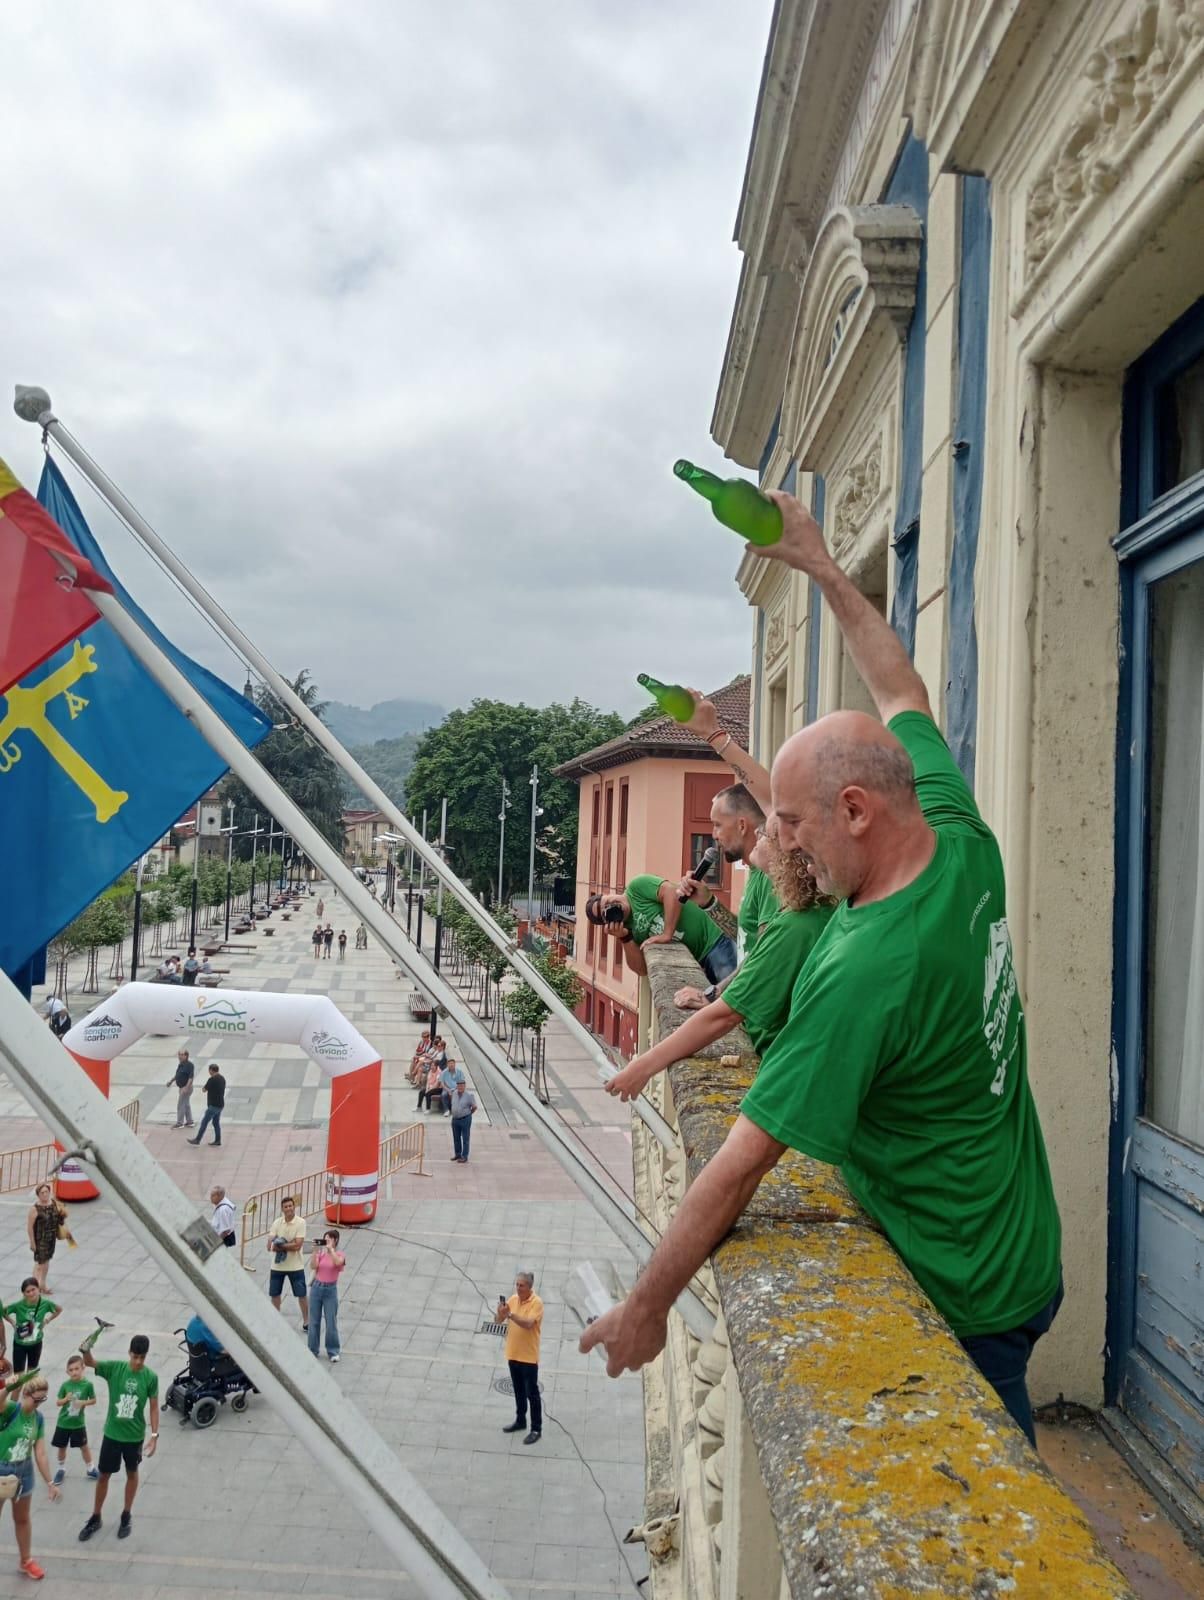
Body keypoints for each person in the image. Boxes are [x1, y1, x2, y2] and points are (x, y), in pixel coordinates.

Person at [580, 489, 1064, 1449]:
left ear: (854, 810)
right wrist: (822, 565)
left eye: (793, 823)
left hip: (963, 1284)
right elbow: (903, 696)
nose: (779, 843)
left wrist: (647, 1305)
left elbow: (742, 1161)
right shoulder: (959, 834)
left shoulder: (864, 965)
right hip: (1028, 1244)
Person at [605, 826, 834, 1101]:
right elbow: (747, 943)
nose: (758, 833)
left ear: (784, 852)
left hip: (785, 1067)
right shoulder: (815, 912)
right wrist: (709, 903)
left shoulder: (794, 926)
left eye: (765, 832)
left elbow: (724, 1015)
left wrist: (643, 1067)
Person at [674, 785, 778, 1010]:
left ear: (741, 825)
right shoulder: (755, 872)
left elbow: (765, 953)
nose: (713, 834)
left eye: (717, 825)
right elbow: (746, 936)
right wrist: (708, 903)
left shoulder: (769, 877)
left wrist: (713, 995)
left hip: (761, 1020)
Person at [583, 874, 737, 989]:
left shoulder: (636, 888)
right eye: (606, 912)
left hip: (715, 940)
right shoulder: (628, 929)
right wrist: (625, 938)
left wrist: (666, 934)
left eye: (608, 902)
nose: (612, 906)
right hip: (701, 959)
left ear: (609, 894)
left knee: (734, 995)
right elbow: (641, 970)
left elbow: (671, 891)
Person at [78, 1334, 159, 1543]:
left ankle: (126, 1515)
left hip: (134, 1438)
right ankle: (96, 1517)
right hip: (112, 1435)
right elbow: (89, 1362)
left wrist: (154, 1435)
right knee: (104, 1475)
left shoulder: (150, 1377)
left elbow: (153, 1406)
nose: (138, 1361)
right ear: (129, 1353)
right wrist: (86, 1349)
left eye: (142, 1357)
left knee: (132, 1473)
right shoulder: (115, 1368)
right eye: (135, 1356)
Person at [0, 1373, 60, 1580]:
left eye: (43, 1400)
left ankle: (26, 1560)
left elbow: (40, 1453)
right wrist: (8, 1388)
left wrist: (50, 1482)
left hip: (24, 1470)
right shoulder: (11, 1410)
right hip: (2, 1468)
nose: (39, 1404)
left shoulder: (39, 1418)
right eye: (37, 1399)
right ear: (26, 1394)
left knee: (22, 1518)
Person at [498, 1271, 543, 1445]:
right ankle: (520, 1420)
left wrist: (510, 1315)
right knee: (518, 1391)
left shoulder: (536, 1303)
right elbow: (498, 1321)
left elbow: (528, 1324)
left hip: (528, 1357)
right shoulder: (512, 1300)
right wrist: (501, 1313)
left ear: (529, 1287)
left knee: (532, 1394)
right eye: (516, 1284)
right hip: (513, 1354)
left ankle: (536, 1428)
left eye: (521, 1285)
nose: (517, 1288)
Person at [52, 1354, 98, 1485]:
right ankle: (61, 1469)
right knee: (62, 1447)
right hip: (63, 1423)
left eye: (76, 1368)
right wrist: (65, 1399)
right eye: (71, 1370)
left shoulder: (88, 1385)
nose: (74, 1372)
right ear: (67, 1372)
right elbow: (58, 1402)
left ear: (83, 1368)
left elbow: (93, 1400)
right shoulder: (65, 1385)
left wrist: (82, 1402)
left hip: (78, 1424)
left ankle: (90, 1468)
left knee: (84, 1446)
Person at [267, 1196, 309, 1330]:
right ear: (282, 1209)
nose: (289, 1208)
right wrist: (279, 1244)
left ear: (294, 1207)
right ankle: (275, 1319)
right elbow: (270, 1245)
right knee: (274, 1294)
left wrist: (281, 1245)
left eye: (290, 1206)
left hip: (296, 1266)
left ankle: (307, 1321)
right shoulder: (277, 1223)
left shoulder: (301, 1222)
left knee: (301, 1294)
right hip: (277, 1266)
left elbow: (298, 1245)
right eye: (286, 1207)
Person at [3, 1280, 62, 1373]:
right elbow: (2, 1311)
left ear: (38, 1289)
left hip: (36, 1343)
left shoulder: (45, 1304)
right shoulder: (18, 1305)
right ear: (23, 1294)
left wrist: (47, 1320)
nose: (31, 1293)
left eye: (33, 1289)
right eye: (28, 1291)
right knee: (19, 1374)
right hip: (20, 1344)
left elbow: (59, 1309)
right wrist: (12, 1322)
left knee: (31, 1373)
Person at [308, 1229, 346, 1363]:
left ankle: (333, 1350)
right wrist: (314, 1252)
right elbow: (314, 1266)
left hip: (330, 1290)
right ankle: (312, 1349)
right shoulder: (321, 1254)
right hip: (317, 1288)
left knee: (331, 1321)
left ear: (335, 1240)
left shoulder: (339, 1254)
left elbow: (337, 1263)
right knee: (314, 1320)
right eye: (325, 1239)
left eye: (330, 1239)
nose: (327, 1241)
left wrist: (331, 1250)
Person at [26, 1183, 67, 1293]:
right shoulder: (35, 1209)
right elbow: (29, 1228)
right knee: (39, 1264)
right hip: (40, 1239)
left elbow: (59, 1218)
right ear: (38, 1195)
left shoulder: (53, 1203)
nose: (45, 1194)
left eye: (46, 1192)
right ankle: (34, 1288)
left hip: (51, 1238)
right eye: (42, 1193)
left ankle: (42, 1284)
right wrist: (32, 1242)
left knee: (47, 1261)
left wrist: (62, 1216)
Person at [187, 1063, 226, 1147]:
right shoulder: (222, 1078)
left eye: (209, 1070)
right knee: (216, 1123)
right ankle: (218, 1140)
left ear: (211, 1070)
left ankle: (197, 1139)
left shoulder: (212, 1079)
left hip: (213, 1106)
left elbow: (204, 1090)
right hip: (220, 1104)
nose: (209, 1072)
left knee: (204, 1122)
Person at [448, 1073, 477, 1164]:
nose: (460, 1087)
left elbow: (474, 1106)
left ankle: (464, 1156)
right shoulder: (454, 1093)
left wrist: (469, 1114)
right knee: (456, 1138)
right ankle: (457, 1154)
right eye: (458, 1085)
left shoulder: (469, 1095)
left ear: (464, 1086)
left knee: (465, 1138)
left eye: (462, 1085)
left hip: (465, 1119)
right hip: (455, 1119)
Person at [167, 1048, 195, 1130]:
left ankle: (180, 1123)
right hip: (181, 1088)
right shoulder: (180, 1064)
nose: (180, 1056)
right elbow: (177, 1075)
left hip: (186, 1088)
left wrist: (186, 1087)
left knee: (180, 1105)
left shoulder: (190, 1065)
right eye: (179, 1054)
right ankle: (190, 1122)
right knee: (186, 1105)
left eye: (182, 1055)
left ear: (186, 1056)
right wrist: (171, 1081)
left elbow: (191, 1077)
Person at [437, 1051, 458, 1116]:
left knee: (457, 1094)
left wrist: (455, 1089)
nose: (451, 1065)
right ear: (447, 1064)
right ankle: (446, 1110)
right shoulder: (444, 1072)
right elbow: (442, 1083)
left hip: (456, 1088)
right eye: (450, 1063)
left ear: (455, 1064)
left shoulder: (458, 1072)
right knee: (444, 1095)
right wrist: (448, 1090)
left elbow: (461, 1082)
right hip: (446, 1088)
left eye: (452, 1063)